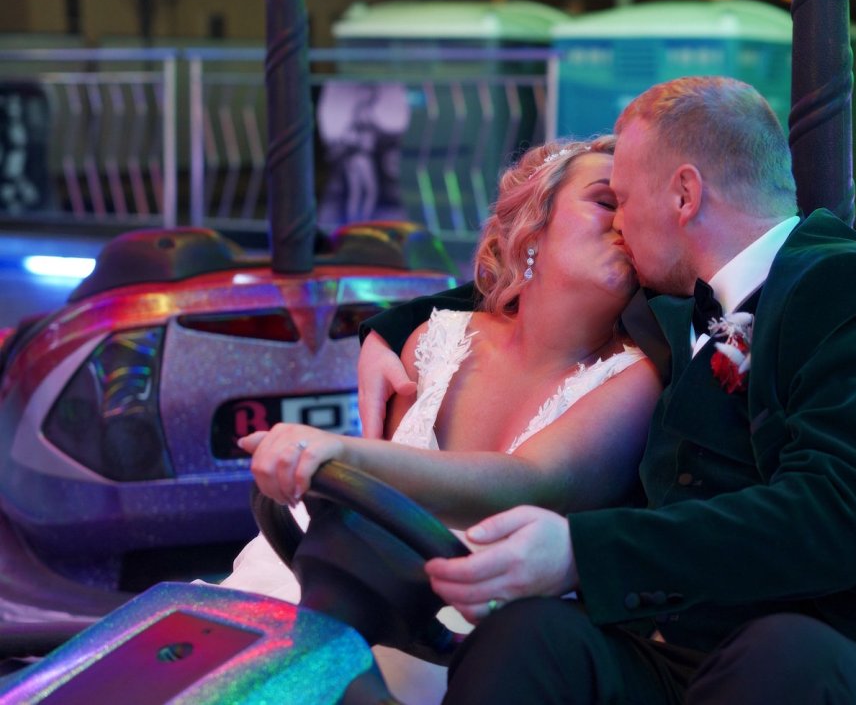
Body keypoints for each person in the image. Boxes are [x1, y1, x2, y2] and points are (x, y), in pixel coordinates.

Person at [359, 76, 856, 704]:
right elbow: (534, 281)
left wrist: (583, 553)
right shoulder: (678, 303)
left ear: (683, 196)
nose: (620, 228)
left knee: (779, 659)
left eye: (623, 201)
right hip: (692, 648)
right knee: (529, 637)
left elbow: (836, 517)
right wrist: (385, 330)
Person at [222, 135, 663, 703]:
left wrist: (340, 452)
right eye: (606, 201)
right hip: (334, 585)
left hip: (478, 632)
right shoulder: (434, 338)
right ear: (535, 223)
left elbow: (530, 481)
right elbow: (376, 509)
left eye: (634, 209)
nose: (624, 222)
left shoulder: (635, 377)